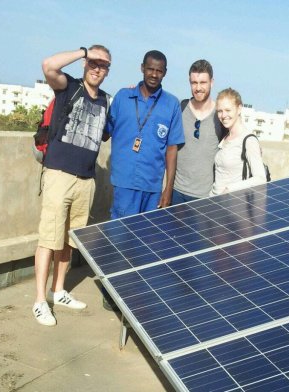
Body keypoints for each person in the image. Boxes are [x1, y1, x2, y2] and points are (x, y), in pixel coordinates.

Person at [32, 45, 112, 326]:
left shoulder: (105, 101)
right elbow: (48, 65)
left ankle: (58, 290)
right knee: (48, 239)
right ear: (85, 63)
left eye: (103, 65)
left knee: (68, 241)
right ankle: (40, 300)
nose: (97, 68)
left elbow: (105, 135)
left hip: (85, 180)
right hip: (59, 175)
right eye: (93, 62)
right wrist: (82, 51)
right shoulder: (68, 87)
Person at [105, 50, 184, 216]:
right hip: (124, 182)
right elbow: (104, 133)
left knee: (147, 239)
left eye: (159, 71)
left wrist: (168, 189)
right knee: (119, 238)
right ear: (142, 68)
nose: (154, 74)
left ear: (165, 73)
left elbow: (171, 149)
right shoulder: (123, 97)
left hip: (152, 187)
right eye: (150, 69)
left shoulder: (172, 104)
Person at [171, 59, 225, 204]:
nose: (198, 88)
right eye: (194, 83)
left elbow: (235, 137)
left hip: (207, 197)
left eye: (203, 83)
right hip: (177, 192)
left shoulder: (220, 115)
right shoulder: (180, 108)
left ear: (211, 82)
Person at [210, 88, 267, 195]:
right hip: (214, 202)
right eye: (220, 111)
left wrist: (229, 189)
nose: (223, 115)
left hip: (232, 205)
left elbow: (260, 178)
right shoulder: (226, 137)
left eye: (228, 110)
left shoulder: (249, 140)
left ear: (239, 109)